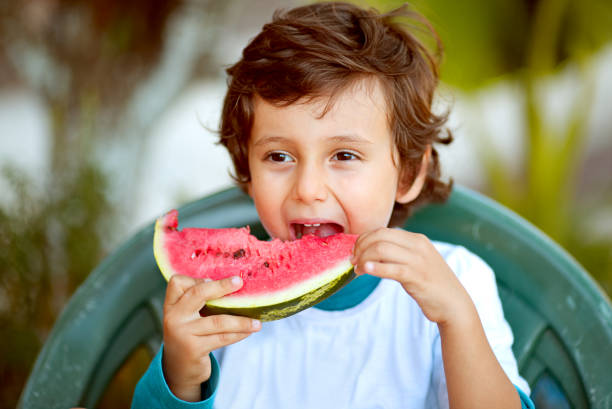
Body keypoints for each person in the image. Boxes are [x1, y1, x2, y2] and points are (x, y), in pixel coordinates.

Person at [132, 2, 535, 408]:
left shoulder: (459, 282)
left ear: (409, 173)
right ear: (247, 171)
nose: (308, 189)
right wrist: (181, 375)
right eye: (279, 157)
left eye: (344, 155)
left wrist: (458, 322)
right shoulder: (218, 297)